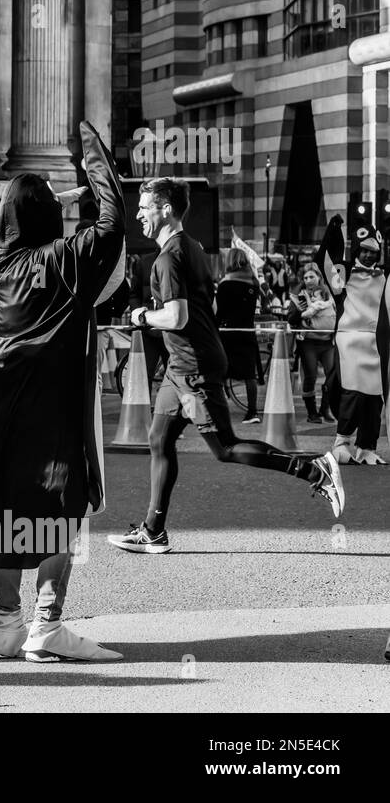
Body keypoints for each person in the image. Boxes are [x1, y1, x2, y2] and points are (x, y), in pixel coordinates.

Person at [109, 178, 344, 555]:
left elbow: (177, 315)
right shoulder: (194, 248)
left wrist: (141, 316)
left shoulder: (169, 257)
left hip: (194, 369)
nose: (138, 214)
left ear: (165, 209)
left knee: (226, 447)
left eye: (144, 207)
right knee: (159, 439)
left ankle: (315, 469)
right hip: (180, 367)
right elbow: (210, 309)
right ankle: (153, 530)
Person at [0, 122, 126, 663]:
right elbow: (112, 225)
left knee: (9, 508)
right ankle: (47, 624)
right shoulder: (63, 260)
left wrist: (45, 203)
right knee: (63, 511)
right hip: (56, 406)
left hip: (5, 411)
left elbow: (19, 227)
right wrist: (95, 164)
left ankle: (3, 626)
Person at [324, 223, 387, 464]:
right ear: (356, 251)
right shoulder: (344, 272)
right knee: (352, 392)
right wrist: (333, 232)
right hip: (349, 339)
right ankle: (342, 442)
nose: (369, 255)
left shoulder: (385, 275)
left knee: (374, 396)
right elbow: (326, 260)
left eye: (374, 251)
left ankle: (367, 447)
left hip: (376, 343)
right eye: (364, 250)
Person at [215, 248, 264, 424]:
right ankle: (252, 412)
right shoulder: (253, 283)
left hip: (228, 333)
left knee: (220, 372)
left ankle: (219, 411)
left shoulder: (225, 284)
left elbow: (220, 312)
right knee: (249, 374)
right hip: (247, 331)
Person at [288, 262, 336, 424]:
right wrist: (302, 312)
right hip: (308, 342)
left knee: (332, 376)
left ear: (319, 277)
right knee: (311, 377)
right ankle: (312, 413)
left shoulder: (328, 294)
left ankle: (325, 409)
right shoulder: (299, 295)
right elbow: (291, 319)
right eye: (305, 277)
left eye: (312, 276)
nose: (308, 280)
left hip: (327, 342)